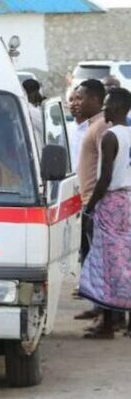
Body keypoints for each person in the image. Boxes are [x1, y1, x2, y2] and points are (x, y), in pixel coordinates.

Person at [78, 88, 131, 339]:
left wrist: (90, 207)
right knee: (126, 261)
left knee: (107, 264)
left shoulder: (110, 136)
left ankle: (108, 324)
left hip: (111, 201)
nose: (105, 110)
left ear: (120, 108)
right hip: (128, 201)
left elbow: (105, 178)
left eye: (108, 106)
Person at [75, 79, 109, 325]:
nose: (77, 102)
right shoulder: (90, 126)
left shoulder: (102, 127)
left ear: (96, 100)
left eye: (82, 98)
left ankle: (107, 313)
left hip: (95, 201)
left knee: (100, 258)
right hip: (85, 198)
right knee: (89, 255)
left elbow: (106, 169)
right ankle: (98, 306)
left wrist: (94, 202)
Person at [67, 87, 88, 171]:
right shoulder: (66, 129)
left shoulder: (94, 128)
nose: (74, 103)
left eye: (78, 99)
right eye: (71, 100)